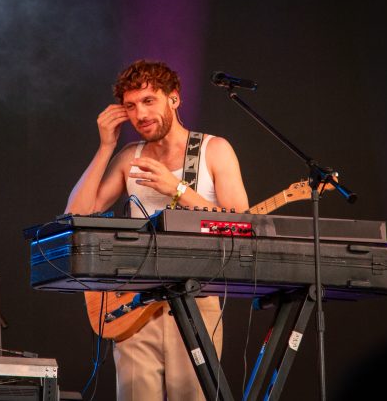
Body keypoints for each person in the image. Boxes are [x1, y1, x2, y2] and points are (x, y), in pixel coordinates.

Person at [65, 59, 249, 401]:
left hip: (196, 298)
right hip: (135, 303)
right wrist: (106, 147)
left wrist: (177, 190)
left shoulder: (214, 150)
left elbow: (241, 223)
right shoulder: (128, 155)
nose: (141, 114)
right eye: (131, 106)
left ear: (174, 99)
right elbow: (75, 215)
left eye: (149, 101)